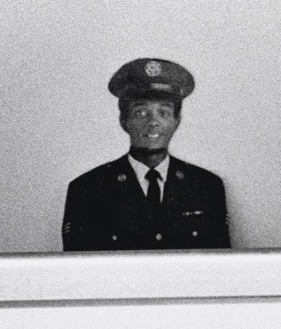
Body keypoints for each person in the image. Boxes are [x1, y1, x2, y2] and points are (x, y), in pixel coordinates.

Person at [62, 58, 231, 252]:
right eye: (141, 112)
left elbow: (220, 265)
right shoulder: (87, 190)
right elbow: (78, 267)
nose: (153, 122)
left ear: (177, 121)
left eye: (164, 113)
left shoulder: (207, 187)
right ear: (124, 120)